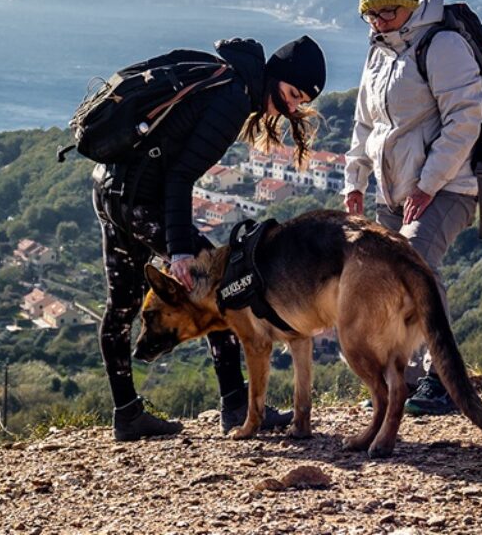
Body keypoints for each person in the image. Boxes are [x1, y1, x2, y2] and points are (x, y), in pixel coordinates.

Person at [92, 35, 326, 441]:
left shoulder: (221, 74)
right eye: (290, 94)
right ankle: (236, 406)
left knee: (121, 306)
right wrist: (181, 251)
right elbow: (180, 177)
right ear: (275, 76)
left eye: (300, 102)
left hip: (110, 190)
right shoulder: (233, 98)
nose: (291, 107)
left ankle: (127, 414)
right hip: (139, 200)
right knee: (223, 290)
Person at [341, 0, 482, 416]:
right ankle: (402, 380)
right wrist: (354, 181)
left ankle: (442, 380)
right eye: (372, 12)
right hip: (391, 191)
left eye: (389, 11)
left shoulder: (440, 45)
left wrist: (427, 183)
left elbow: (465, 118)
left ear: (409, 6)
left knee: (417, 264)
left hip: (448, 185)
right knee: (384, 279)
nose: (380, 20)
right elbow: (366, 124)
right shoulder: (379, 50)